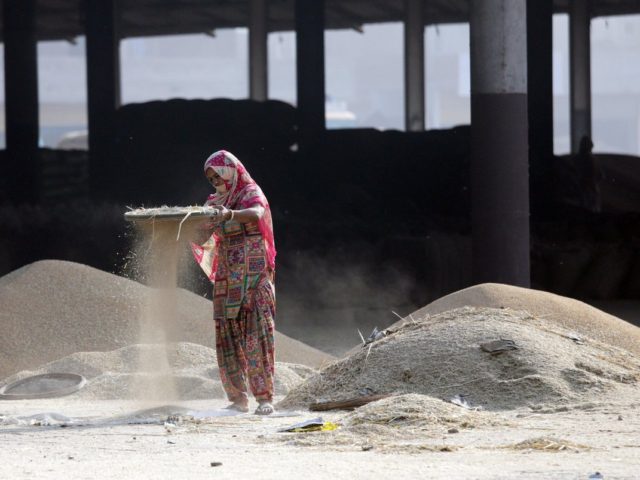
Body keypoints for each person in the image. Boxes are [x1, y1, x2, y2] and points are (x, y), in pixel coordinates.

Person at [191, 150, 276, 415]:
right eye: (210, 177)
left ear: (231, 169)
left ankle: (265, 399)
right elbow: (202, 230)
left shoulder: (248, 191)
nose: (215, 180)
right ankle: (238, 399)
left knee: (256, 333)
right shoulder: (214, 201)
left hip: (254, 274)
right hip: (228, 277)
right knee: (227, 335)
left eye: (218, 173)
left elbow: (256, 213)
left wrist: (229, 214)